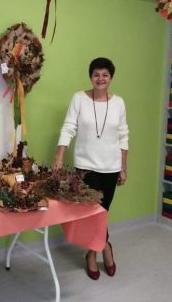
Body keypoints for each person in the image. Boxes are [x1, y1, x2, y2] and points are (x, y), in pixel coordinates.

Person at [53, 57, 129, 280]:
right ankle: (104, 249)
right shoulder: (79, 98)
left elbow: (123, 135)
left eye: (105, 75)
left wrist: (123, 167)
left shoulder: (119, 103)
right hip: (85, 167)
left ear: (111, 78)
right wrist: (59, 157)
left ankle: (93, 252)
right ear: (90, 77)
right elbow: (68, 127)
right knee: (91, 213)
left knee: (102, 212)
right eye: (96, 74)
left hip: (111, 167)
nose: (100, 79)